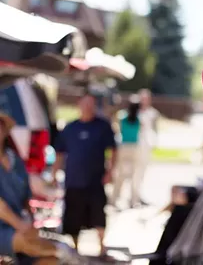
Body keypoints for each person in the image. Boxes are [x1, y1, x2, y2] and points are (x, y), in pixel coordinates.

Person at [0, 112, 75, 264]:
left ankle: (62, 252)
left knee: (49, 260)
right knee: (24, 241)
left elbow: (26, 197)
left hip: (17, 224)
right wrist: (22, 226)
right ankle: (64, 252)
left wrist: (31, 222)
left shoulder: (15, 160)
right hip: (11, 227)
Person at [52, 93, 117, 256]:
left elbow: (113, 150)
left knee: (98, 214)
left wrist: (110, 171)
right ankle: (75, 248)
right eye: (85, 103)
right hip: (74, 180)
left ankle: (102, 247)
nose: (87, 107)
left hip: (95, 180)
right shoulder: (70, 128)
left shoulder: (102, 126)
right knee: (73, 216)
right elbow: (59, 152)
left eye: (91, 103)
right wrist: (54, 173)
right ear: (79, 104)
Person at [111, 101, 141, 208]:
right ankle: (133, 200)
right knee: (133, 176)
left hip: (123, 147)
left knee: (120, 175)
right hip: (134, 148)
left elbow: (115, 126)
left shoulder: (123, 117)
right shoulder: (138, 119)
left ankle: (114, 199)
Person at [135, 89, 160, 205]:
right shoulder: (134, 112)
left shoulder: (153, 113)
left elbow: (155, 129)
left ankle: (138, 195)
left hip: (146, 145)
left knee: (142, 171)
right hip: (134, 145)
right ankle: (133, 196)